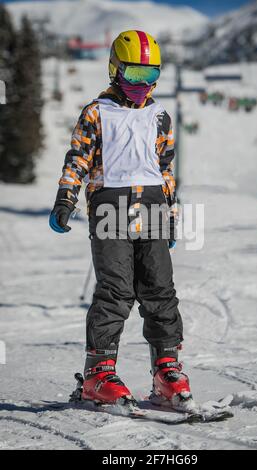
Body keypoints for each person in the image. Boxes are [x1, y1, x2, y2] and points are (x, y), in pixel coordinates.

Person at [49, 30, 192, 411]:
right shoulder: (97, 111)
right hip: (109, 203)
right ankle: (98, 372)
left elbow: (165, 169)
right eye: (133, 74)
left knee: (160, 287)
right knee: (116, 289)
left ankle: (167, 368)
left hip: (152, 204)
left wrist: (172, 214)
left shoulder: (160, 116)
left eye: (149, 76)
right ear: (115, 69)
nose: (141, 85)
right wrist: (66, 197)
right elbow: (77, 158)